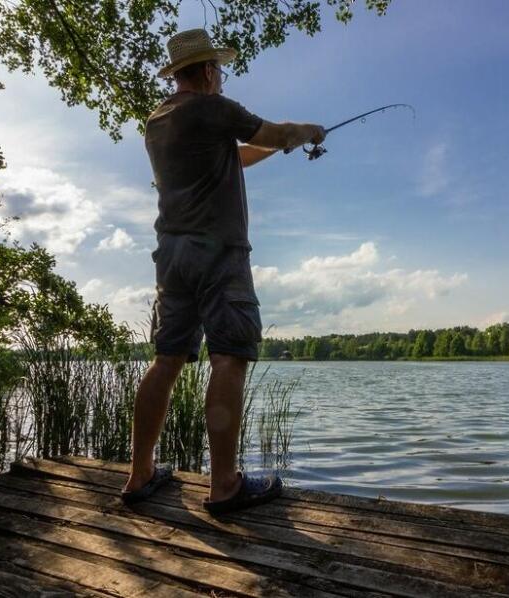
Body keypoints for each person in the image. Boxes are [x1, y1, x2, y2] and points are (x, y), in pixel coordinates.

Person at [119, 29, 325, 514]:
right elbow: (274, 132)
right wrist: (308, 132)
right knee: (229, 358)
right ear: (209, 70)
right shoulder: (216, 109)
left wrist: (277, 146)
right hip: (219, 252)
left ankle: (139, 474)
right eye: (220, 70)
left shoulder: (159, 120)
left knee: (166, 360)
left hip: (171, 255)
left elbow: (237, 154)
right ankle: (225, 485)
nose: (221, 77)